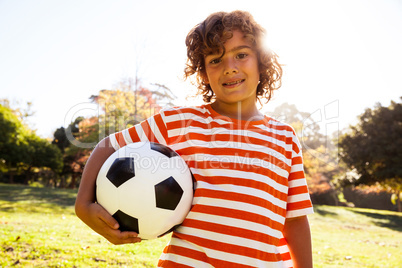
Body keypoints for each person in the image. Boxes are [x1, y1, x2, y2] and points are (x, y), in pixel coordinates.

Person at [75, 10, 314, 268]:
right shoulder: (178, 123)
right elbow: (108, 145)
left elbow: (295, 220)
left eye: (241, 55)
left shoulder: (285, 138)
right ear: (203, 73)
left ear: (262, 61)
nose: (229, 67)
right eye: (215, 60)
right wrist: (84, 204)